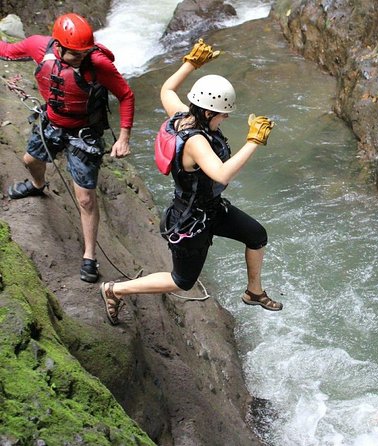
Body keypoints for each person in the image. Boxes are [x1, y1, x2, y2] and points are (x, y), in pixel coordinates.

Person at [98, 39, 282, 326]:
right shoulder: (195, 141)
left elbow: (167, 90)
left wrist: (191, 64)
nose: (226, 118)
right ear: (208, 112)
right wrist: (254, 141)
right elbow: (221, 174)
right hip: (190, 221)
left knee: (257, 236)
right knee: (182, 281)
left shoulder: (183, 115)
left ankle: (253, 292)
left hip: (210, 208)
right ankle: (115, 290)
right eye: (223, 114)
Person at [0, 13, 134, 282]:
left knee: (85, 198)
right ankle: (38, 186)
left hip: (84, 134)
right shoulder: (39, 46)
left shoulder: (98, 63)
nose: (81, 58)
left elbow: (125, 95)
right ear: (58, 46)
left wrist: (123, 137)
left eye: (84, 53)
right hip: (52, 122)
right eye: (75, 54)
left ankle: (89, 257)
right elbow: (7, 51)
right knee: (30, 160)